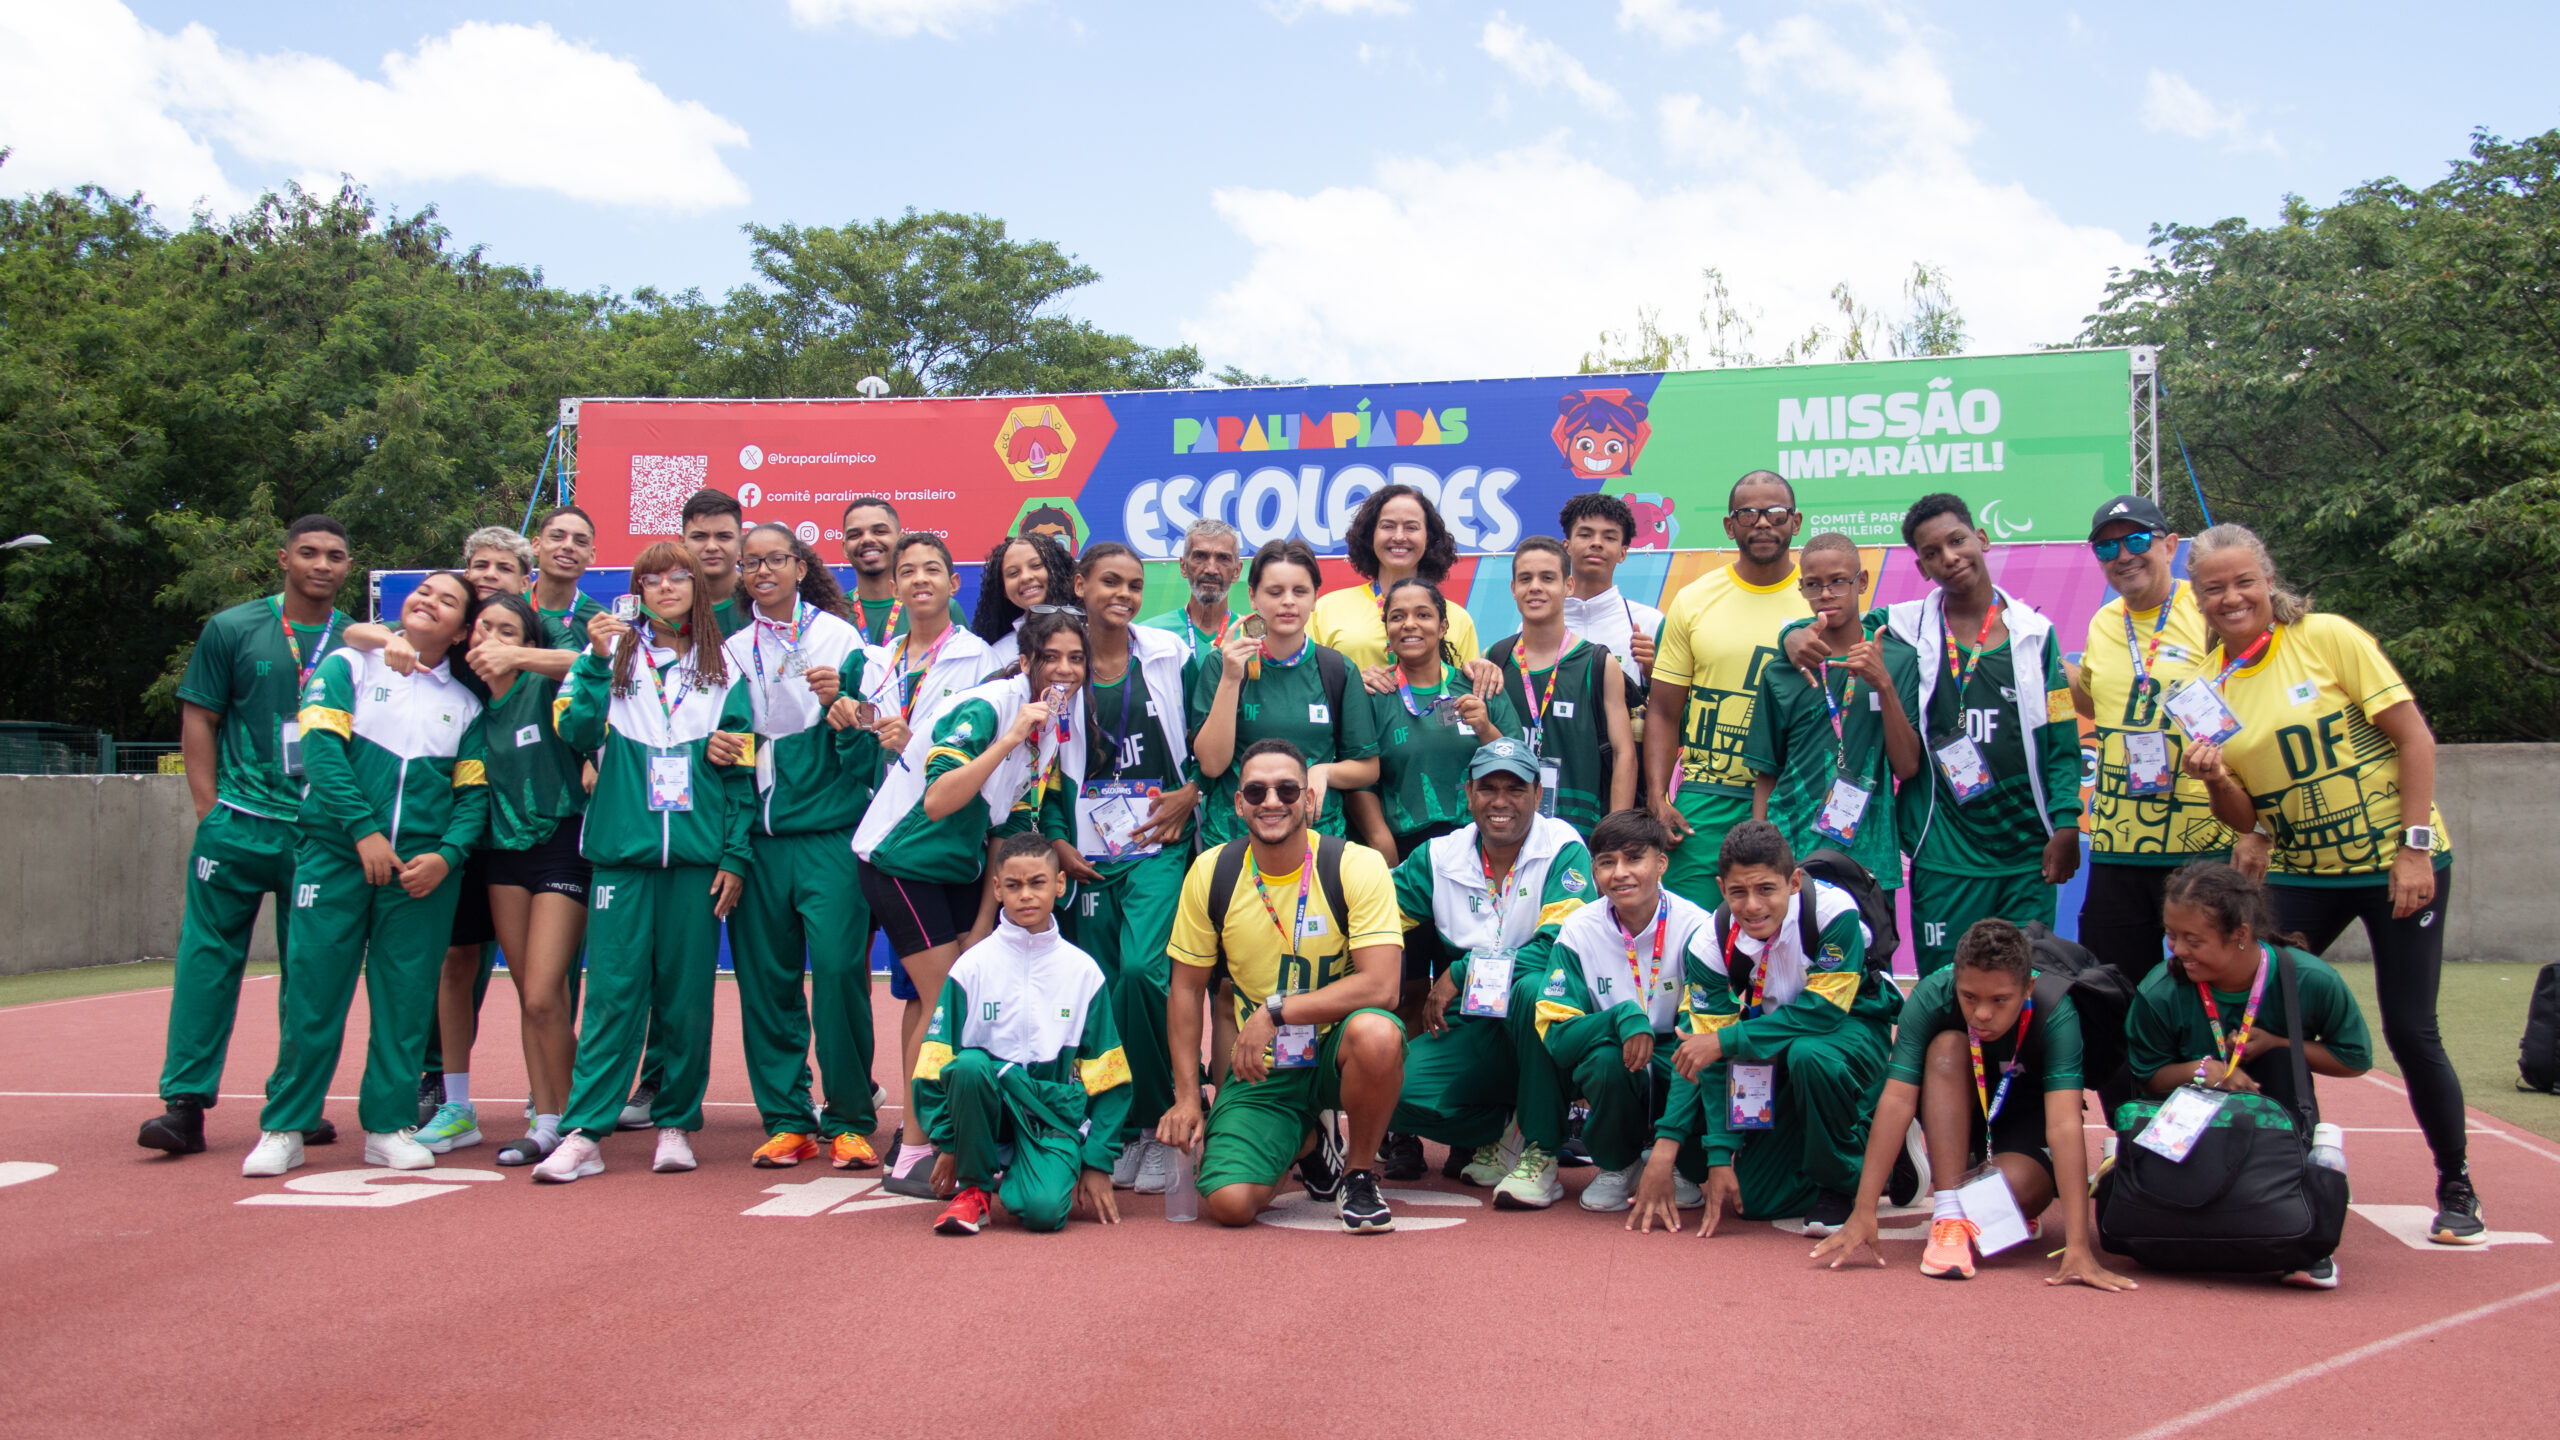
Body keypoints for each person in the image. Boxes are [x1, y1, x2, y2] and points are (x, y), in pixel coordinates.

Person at [2177, 523, 2482, 1245]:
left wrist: (2411, 850)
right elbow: (2244, 816)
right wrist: (2215, 777)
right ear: (2197, 598)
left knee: (2411, 1027)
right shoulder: (2201, 691)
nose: (2232, 597)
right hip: (2304, 872)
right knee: (2264, 1015)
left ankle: (2457, 1182)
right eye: (2214, 588)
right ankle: (2277, 1169)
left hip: (2393, 864)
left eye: (2243, 581)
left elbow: (2415, 739)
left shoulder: (2328, 636)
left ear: (2267, 579)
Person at [243, 571, 489, 1178]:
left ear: (460, 630)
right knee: (313, 993)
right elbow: (321, 754)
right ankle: (284, 1125)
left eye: (448, 600)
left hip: (423, 876)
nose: (430, 601)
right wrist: (364, 832)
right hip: (336, 856)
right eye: (424, 592)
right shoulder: (349, 666)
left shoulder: (466, 703)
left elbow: (474, 796)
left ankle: (387, 1125)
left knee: (405, 1004)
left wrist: (448, 856)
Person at [535, 544, 755, 1184]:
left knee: (686, 1000)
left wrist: (735, 854)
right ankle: (585, 1131)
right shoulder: (606, 658)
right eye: (650, 580)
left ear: (696, 586)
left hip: (695, 861)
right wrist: (600, 663)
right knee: (612, 997)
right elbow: (575, 733)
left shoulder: (725, 668)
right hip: (621, 859)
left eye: (677, 576)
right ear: (635, 592)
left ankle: (676, 1124)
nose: (665, 588)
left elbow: (740, 773)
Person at [140, 514, 354, 1158]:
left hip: (318, 836)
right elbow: (199, 718)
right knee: (208, 963)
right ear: (284, 557)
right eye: (309, 552)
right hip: (238, 824)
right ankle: (184, 1104)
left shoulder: (356, 641)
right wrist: (209, 810)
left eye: (336, 556)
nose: (322, 564)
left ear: (348, 567)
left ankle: (297, 1104)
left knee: (312, 974)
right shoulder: (232, 628)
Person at [856, 609, 1086, 1198]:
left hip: (960, 870)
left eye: (1076, 658)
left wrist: (988, 923)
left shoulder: (1051, 728)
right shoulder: (986, 707)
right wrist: (1010, 735)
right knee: (943, 1004)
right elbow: (939, 800)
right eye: (1052, 657)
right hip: (900, 860)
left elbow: (1005, 835)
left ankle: (962, 1141)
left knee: (967, 995)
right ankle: (910, 1152)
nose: (1064, 670)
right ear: (1028, 661)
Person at [1158, 739, 1408, 1233]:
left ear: (1309, 800)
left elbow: (1383, 988)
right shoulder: (1213, 872)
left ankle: (1358, 1175)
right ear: (1238, 804)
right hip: (1266, 1065)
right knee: (1229, 1205)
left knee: (1378, 1033)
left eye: (1287, 789)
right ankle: (1308, 1140)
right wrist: (1188, 1096)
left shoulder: (1356, 865)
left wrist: (1276, 1011)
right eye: (1256, 791)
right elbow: (1186, 990)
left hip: (1337, 1047)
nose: (1271, 801)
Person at [1815, 918, 2134, 1290]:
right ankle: (1949, 1215)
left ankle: (1989, 1193)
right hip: (1955, 1101)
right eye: (1969, 998)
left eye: (2000, 1000)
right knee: (1946, 1047)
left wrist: (2078, 1247)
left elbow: (2064, 1125)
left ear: (2028, 986)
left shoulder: (2056, 1011)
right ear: (1955, 984)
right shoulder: (1932, 994)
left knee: (2008, 1194)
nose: (1982, 1014)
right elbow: (1898, 1099)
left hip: (2026, 1117)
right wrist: (1863, 1209)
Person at [722, 524, 894, 1171]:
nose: (762, 570)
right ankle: (789, 1119)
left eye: (775, 559)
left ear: (799, 566)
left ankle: (849, 1117)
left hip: (829, 835)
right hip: (762, 844)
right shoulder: (736, 650)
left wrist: (840, 710)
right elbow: (733, 747)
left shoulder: (838, 638)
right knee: (767, 985)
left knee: (841, 974)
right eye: (751, 562)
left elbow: (863, 752)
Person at [1628, 821, 1893, 1238]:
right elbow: (1703, 1056)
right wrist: (1716, 1156)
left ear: (1793, 881)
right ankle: (1865, 1153)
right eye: (1738, 892)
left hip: (1850, 1033)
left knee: (1811, 1055)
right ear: (1721, 887)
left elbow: (1823, 1013)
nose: (1752, 906)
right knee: (1752, 1203)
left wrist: (1725, 1040)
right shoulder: (1708, 944)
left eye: (1766, 889)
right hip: (1772, 1054)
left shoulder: (1832, 913)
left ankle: (1848, 1177)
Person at [2127, 861, 2376, 1286]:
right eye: (2171, 934)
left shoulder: (2309, 979)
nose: (2177, 949)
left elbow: (2354, 1059)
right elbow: (2148, 1078)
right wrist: (2203, 1071)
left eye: (2193, 939)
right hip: (2188, 1131)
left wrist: (2282, 1043)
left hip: (2273, 1135)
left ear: (2240, 935)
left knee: (2281, 1060)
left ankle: (2303, 1218)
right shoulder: (2161, 990)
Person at [1040, 544, 1200, 1193]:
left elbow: (1210, 743)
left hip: (1157, 844)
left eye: (1135, 585)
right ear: (1080, 584)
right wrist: (1054, 840)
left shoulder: (1168, 654)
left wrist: (1195, 794)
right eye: (1110, 581)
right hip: (1086, 856)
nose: (1124, 595)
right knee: (1100, 990)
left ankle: (1162, 1116)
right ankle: (1126, 1129)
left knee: (1142, 972)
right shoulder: (1057, 668)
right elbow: (1039, 768)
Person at [1874, 493, 2082, 975]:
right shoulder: (1905, 625)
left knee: (2030, 987)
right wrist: (1792, 635)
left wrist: (2067, 821)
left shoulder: (2037, 635)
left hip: (2026, 854)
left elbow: (2062, 739)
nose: (1949, 558)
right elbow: (1836, 623)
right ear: (1922, 567)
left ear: (1981, 539)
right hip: (1945, 854)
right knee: (1946, 988)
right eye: (1931, 553)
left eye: (1957, 540)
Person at [1384, 741, 1592, 1207]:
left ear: (1539, 795)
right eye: (1488, 788)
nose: (1500, 801)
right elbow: (1373, 917)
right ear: (1468, 793)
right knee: (1389, 1092)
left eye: (1515, 789)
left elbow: (1554, 950)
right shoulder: (1439, 856)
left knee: (1534, 988)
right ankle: (1506, 1127)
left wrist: (1461, 968)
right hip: (1474, 1024)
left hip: (1549, 1020)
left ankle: (1541, 1149)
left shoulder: (1563, 847)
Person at [914, 833, 1129, 1235]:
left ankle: (1028, 1174)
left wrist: (1098, 1162)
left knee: (1045, 1213)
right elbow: (934, 1062)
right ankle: (974, 1190)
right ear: (997, 889)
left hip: (1050, 1120)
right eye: (1013, 886)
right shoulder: (971, 967)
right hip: (986, 1112)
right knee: (969, 1066)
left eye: (1038, 883)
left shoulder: (1083, 972)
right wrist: (948, 1141)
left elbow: (1110, 1075)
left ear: (1060, 885)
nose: (1025, 895)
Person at [2070, 493, 2241, 981]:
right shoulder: (2105, 622)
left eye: (2136, 540)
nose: (2123, 556)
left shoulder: (2209, 608)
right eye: (2107, 549)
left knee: (2206, 984)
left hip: (2202, 841)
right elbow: (2099, 702)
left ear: (2169, 545)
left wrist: (2258, 833)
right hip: (2118, 842)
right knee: (2112, 989)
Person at [459, 594, 594, 1167]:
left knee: (545, 991)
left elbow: (588, 663)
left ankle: (580, 1124)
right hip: (500, 856)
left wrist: (519, 652)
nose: (491, 637)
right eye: (483, 627)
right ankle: (545, 1120)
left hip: (561, 846)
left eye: (507, 628)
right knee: (530, 998)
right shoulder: (465, 701)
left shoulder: (544, 685)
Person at [1533, 808, 1714, 1215]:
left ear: (1661, 863)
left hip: (1676, 1044)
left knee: (1699, 1055)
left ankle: (1685, 1165)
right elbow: (1557, 1034)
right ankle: (1618, 1164)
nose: (1620, 873)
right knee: (1604, 1062)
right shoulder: (1578, 928)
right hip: (1617, 1046)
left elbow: (1702, 1026)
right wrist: (1620, 1018)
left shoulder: (1696, 927)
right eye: (1607, 862)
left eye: (1634, 859)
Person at [1644, 472, 1811, 910]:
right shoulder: (1693, 599)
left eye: (1775, 513)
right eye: (1747, 513)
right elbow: (1662, 712)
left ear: (1795, 522)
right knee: (1692, 935)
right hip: (1706, 797)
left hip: (1794, 796)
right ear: (1728, 525)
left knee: (1788, 938)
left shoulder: (1819, 600)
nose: (1762, 523)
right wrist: (1657, 799)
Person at [1744, 533, 1920, 896]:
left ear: (1862, 582)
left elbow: (1907, 767)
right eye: (1813, 585)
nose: (1826, 594)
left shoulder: (1899, 660)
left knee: (1868, 951)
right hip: (1792, 853)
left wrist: (1883, 684)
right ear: (1802, 589)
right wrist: (1762, 858)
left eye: (1839, 581)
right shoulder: (1781, 670)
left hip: (1870, 855)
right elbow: (1766, 773)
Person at [1190, 538, 1381, 850]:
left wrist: (1324, 771)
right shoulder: (1221, 663)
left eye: (1300, 591)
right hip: (1234, 841)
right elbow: (1211, 765)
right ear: (1252, 597)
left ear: (1316, 598)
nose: (1288, 602)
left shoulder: (1337, 669)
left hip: (1317, 842)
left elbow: (1367, 767)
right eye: (1275, 592)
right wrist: (1229, 680)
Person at [1346, 578, 1524, 868]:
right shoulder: (1372, 696)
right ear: (1387, 630)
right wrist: (1384, 849)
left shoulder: (1481, 686)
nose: (1410, 624)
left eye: (1423, 614)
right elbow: (1360, 782)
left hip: (1483, 847)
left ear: (1443, 627)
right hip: (1403, 855)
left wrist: (1485, 729)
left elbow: (1521, 769)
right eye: (1397, 617)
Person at [1490, 536, 1636, 838]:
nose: (1535, 587)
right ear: (1513, 589)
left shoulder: (1599, 663)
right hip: (1510, 829)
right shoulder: (1495, 659)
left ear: (1568, 586)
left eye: (1547, 578)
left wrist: (1615, 838)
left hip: (1581, 830)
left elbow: (1624, 754)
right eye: (1525, 579)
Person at [1309, 483, 1483, 671]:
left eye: (1411, 527)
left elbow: (1467, 689)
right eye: (1388, 526)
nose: (1399, 536)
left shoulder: (1458, 619)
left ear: (1428, 538)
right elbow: (1309, 683)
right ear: (1371, 535)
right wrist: (1354, 684)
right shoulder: (1326, 609)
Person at [1558, 492, 1663, 685]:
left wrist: (1651, 672)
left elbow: (1676, 708)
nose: (1596, 543)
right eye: (1585, 535)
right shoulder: (1538, 622)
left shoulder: (1650, 623)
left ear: (1623, 553)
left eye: (1609, 537)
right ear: (1567, 547)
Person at [972, 531, 1075, 673]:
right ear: (1004, 591)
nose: (1025, 577)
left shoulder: (1091, 632)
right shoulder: (998, 654)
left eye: (1036, 565)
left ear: (1057, 570)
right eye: (1013, 573)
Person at [1143, 517, 1243, 659]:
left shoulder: (1255, 635)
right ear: (1183, 567)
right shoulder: (1151, 635)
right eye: (1200, 556)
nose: (1211, 569)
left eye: (1223, 558)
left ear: (1237, 571)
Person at [681, 489, 754, 639]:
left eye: (723, 536)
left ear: (741, 542)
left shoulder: (763, 599)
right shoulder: (664, 601)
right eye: (699, 537)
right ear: (682, 543)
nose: (711, 547)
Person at [840, 495, 908, 645]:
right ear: (844, 548)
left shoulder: (935, 607)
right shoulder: (831, 613)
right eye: (855, 535)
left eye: (879, 531)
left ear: (901, 540)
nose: (867, 540)